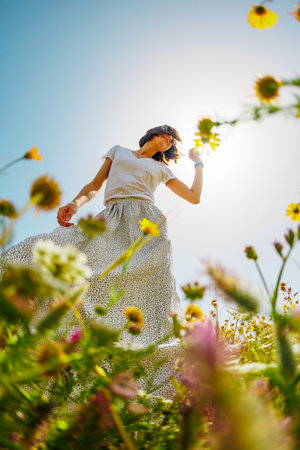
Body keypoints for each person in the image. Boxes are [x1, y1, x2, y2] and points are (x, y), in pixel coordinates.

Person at [0, 124, 204, 398]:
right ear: (154, 134)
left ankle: (149, 382)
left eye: (173, 141)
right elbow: (95, 185)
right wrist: (75, 203)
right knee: (69, 260)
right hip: (112, 216)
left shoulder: (163, 169)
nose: (170, 141)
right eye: (167, 134)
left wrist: (198, 163)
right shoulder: (119, 151)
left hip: (147, 227)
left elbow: (194, 198)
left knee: (150, 296)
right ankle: (34, 326)